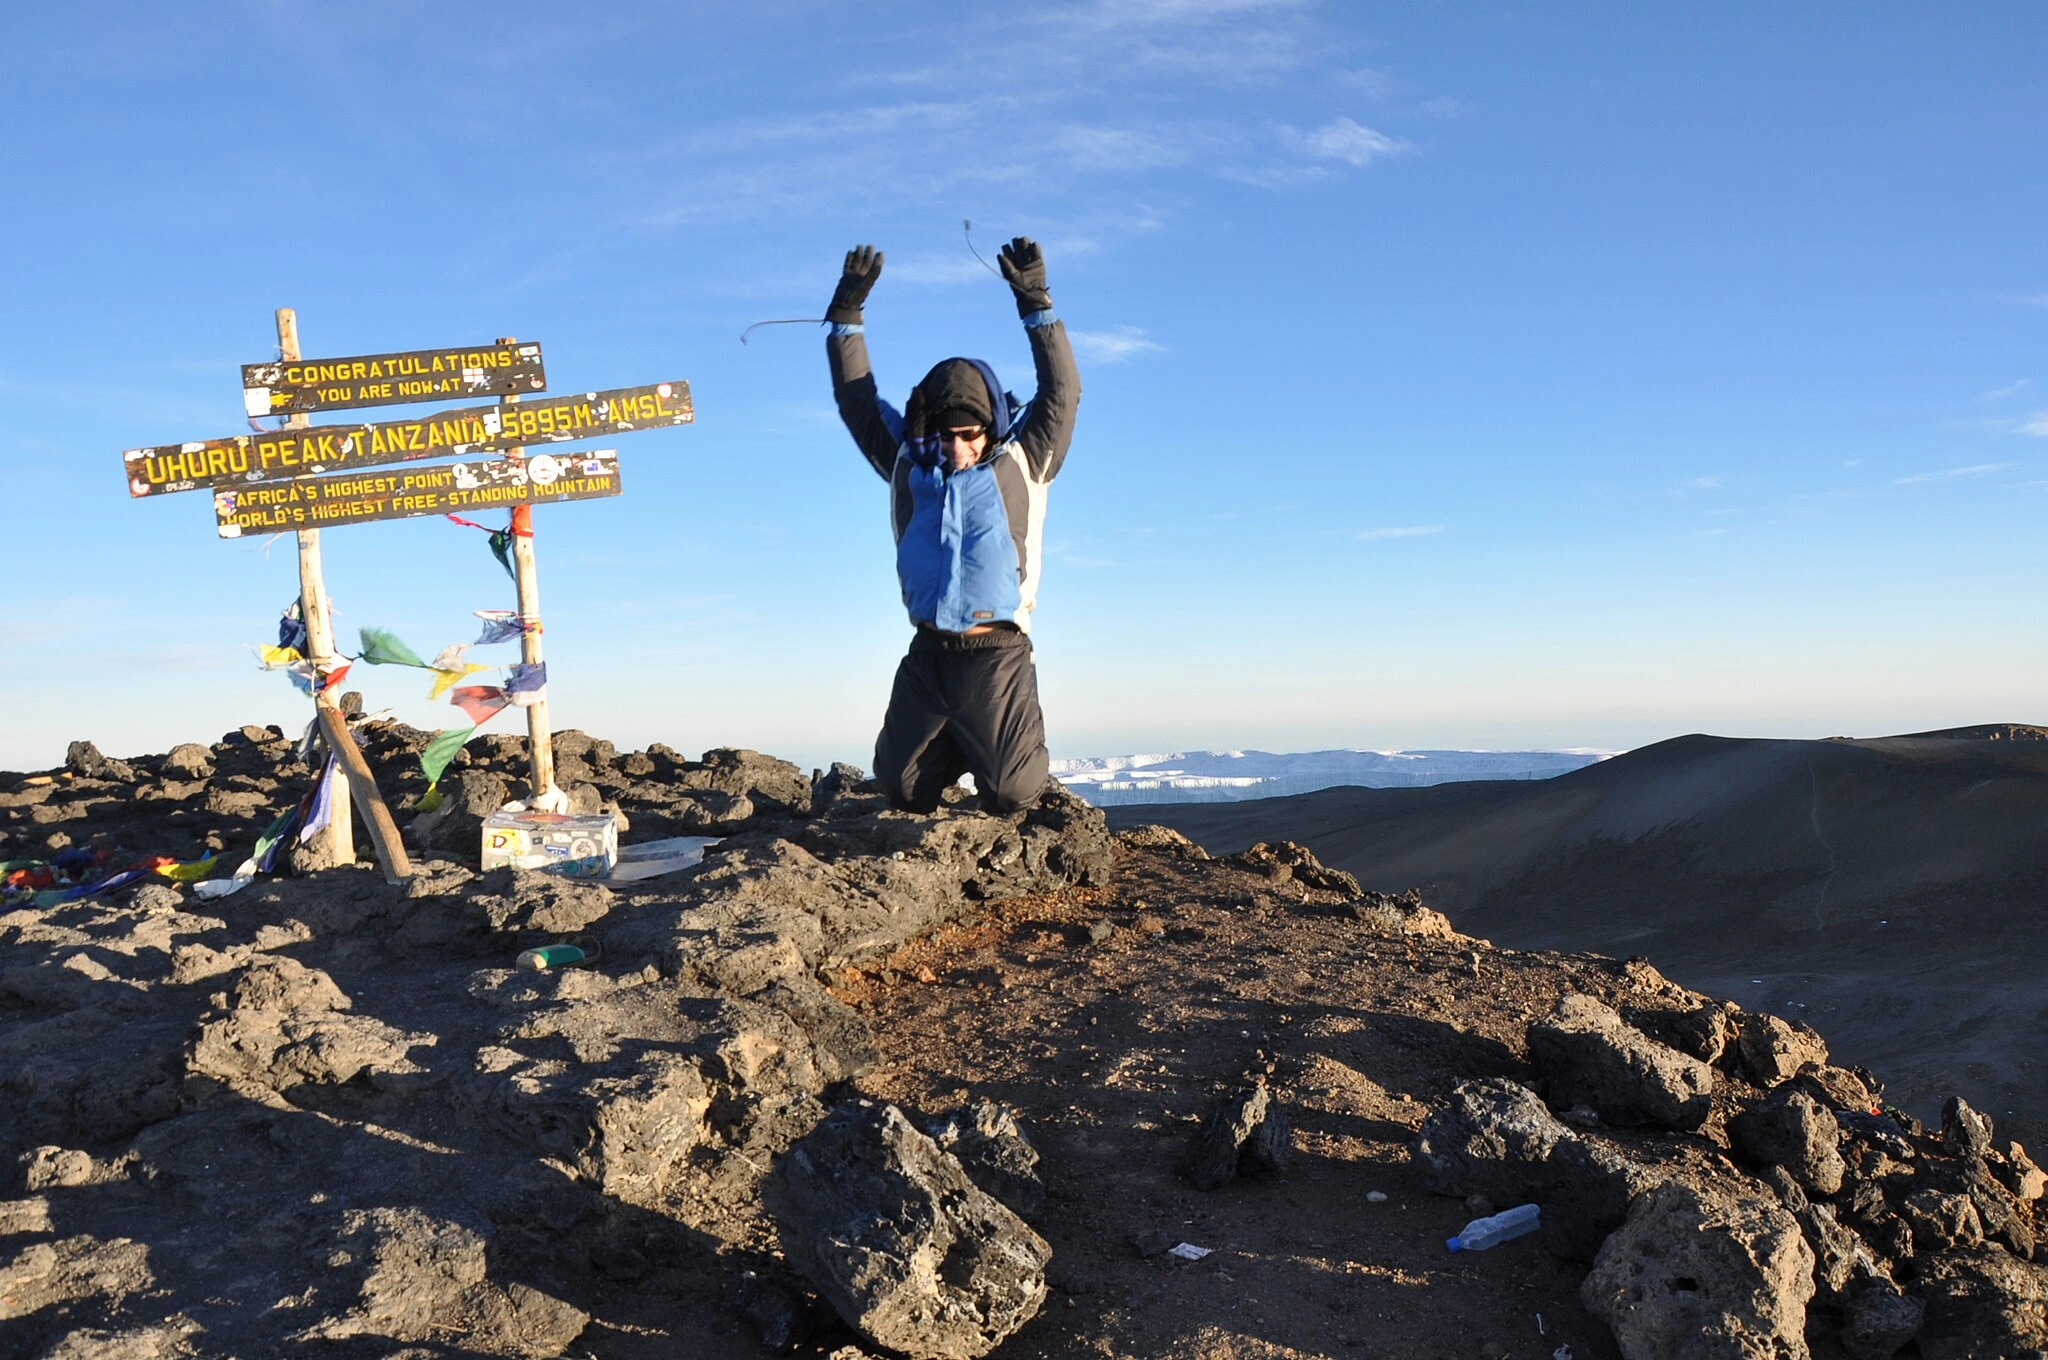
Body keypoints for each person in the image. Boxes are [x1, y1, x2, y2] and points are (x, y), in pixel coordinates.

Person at [825, 237, 1081, 814]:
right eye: (946, 435)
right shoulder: (905, 461)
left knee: (1013, 792)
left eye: (970, 435)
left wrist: (1036, 303)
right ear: (928, 428)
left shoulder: (1025, 459)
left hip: (997, 657)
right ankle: (958, 743)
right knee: (901, 789)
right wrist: (847, 318)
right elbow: (857, 400)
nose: (959, 447)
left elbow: (1062, 392)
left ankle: (992, 744)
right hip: (928, 656)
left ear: (990, 428)